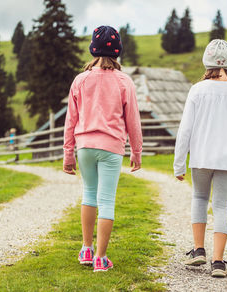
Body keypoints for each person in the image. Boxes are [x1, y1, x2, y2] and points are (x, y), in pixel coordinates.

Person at [173, 39, 227, 278]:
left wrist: (179, 163)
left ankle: (198, 249)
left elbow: (185, 130)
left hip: (200, 156)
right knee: (222, 206)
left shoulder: (197, 90)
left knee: (200, 198)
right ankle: (218, 262)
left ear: (207, 61)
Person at [63, 25, 143, 272]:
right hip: (111, 147)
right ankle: (101, 257)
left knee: (89, 194)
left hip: (85, 146)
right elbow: (133, 120)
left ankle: (86, 249)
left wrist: (68, 153)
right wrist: (136, 152)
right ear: (118, 51)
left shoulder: (80, 80)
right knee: (106, 199)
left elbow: (70, 120)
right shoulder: (124, 81)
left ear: (93, 50)